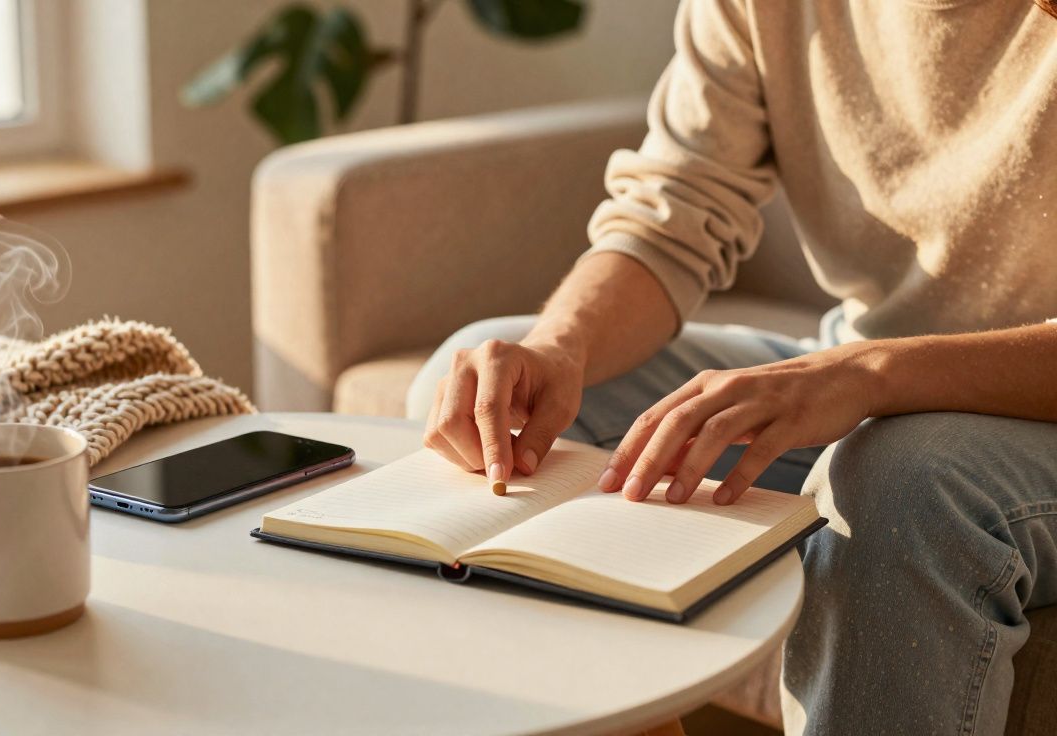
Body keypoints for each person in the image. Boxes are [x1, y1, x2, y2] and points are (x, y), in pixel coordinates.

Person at [412, 0, 1057, 733]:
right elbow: (675, 213)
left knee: (903, 483)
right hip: (871, 379)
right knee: (495, 400)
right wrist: (561, 346)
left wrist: (870, 372)